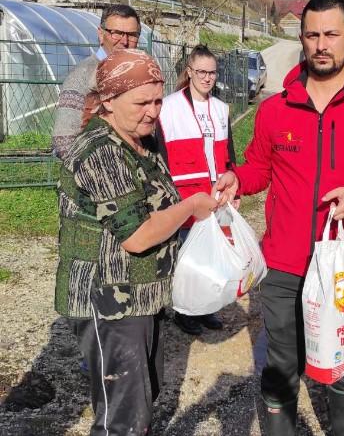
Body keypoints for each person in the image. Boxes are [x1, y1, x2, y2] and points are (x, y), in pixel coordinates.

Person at [215, 0, 344, 435]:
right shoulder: (274, 109)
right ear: (302, 39)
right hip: (284, 265)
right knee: (282, 365)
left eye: (331, 34)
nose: (321, 44)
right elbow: (259, 168)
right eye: (312, 34)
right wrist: (236, 179)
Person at [55, 49, 229, 435]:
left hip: (138, 295)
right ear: (108, 101)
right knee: (122, 415)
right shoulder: (101, 151)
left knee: (142, 399)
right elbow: (137, 235)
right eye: (142, 102)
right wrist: (191, 206)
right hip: (109, 301)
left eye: (157, 100)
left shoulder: (139, 141)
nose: (153, 111)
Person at [157, 44, 237, 335]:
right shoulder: (168, 108)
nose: (207, 78)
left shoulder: (220, 108)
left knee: (215, 253)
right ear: (189, 71)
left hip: (216, 195)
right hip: (186, 195)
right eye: (201, 72)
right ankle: (184, 310)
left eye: (212, 73)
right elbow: (161, 156)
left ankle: (208, 307)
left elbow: (229, 154)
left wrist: (234, 189)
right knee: (188, 256)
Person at [52, 4, 142, 160]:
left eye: (132, 35)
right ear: (101, 34)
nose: (125, 41)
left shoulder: (140, 75)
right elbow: (63, 140)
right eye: (117, 33)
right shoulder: (82, 75)